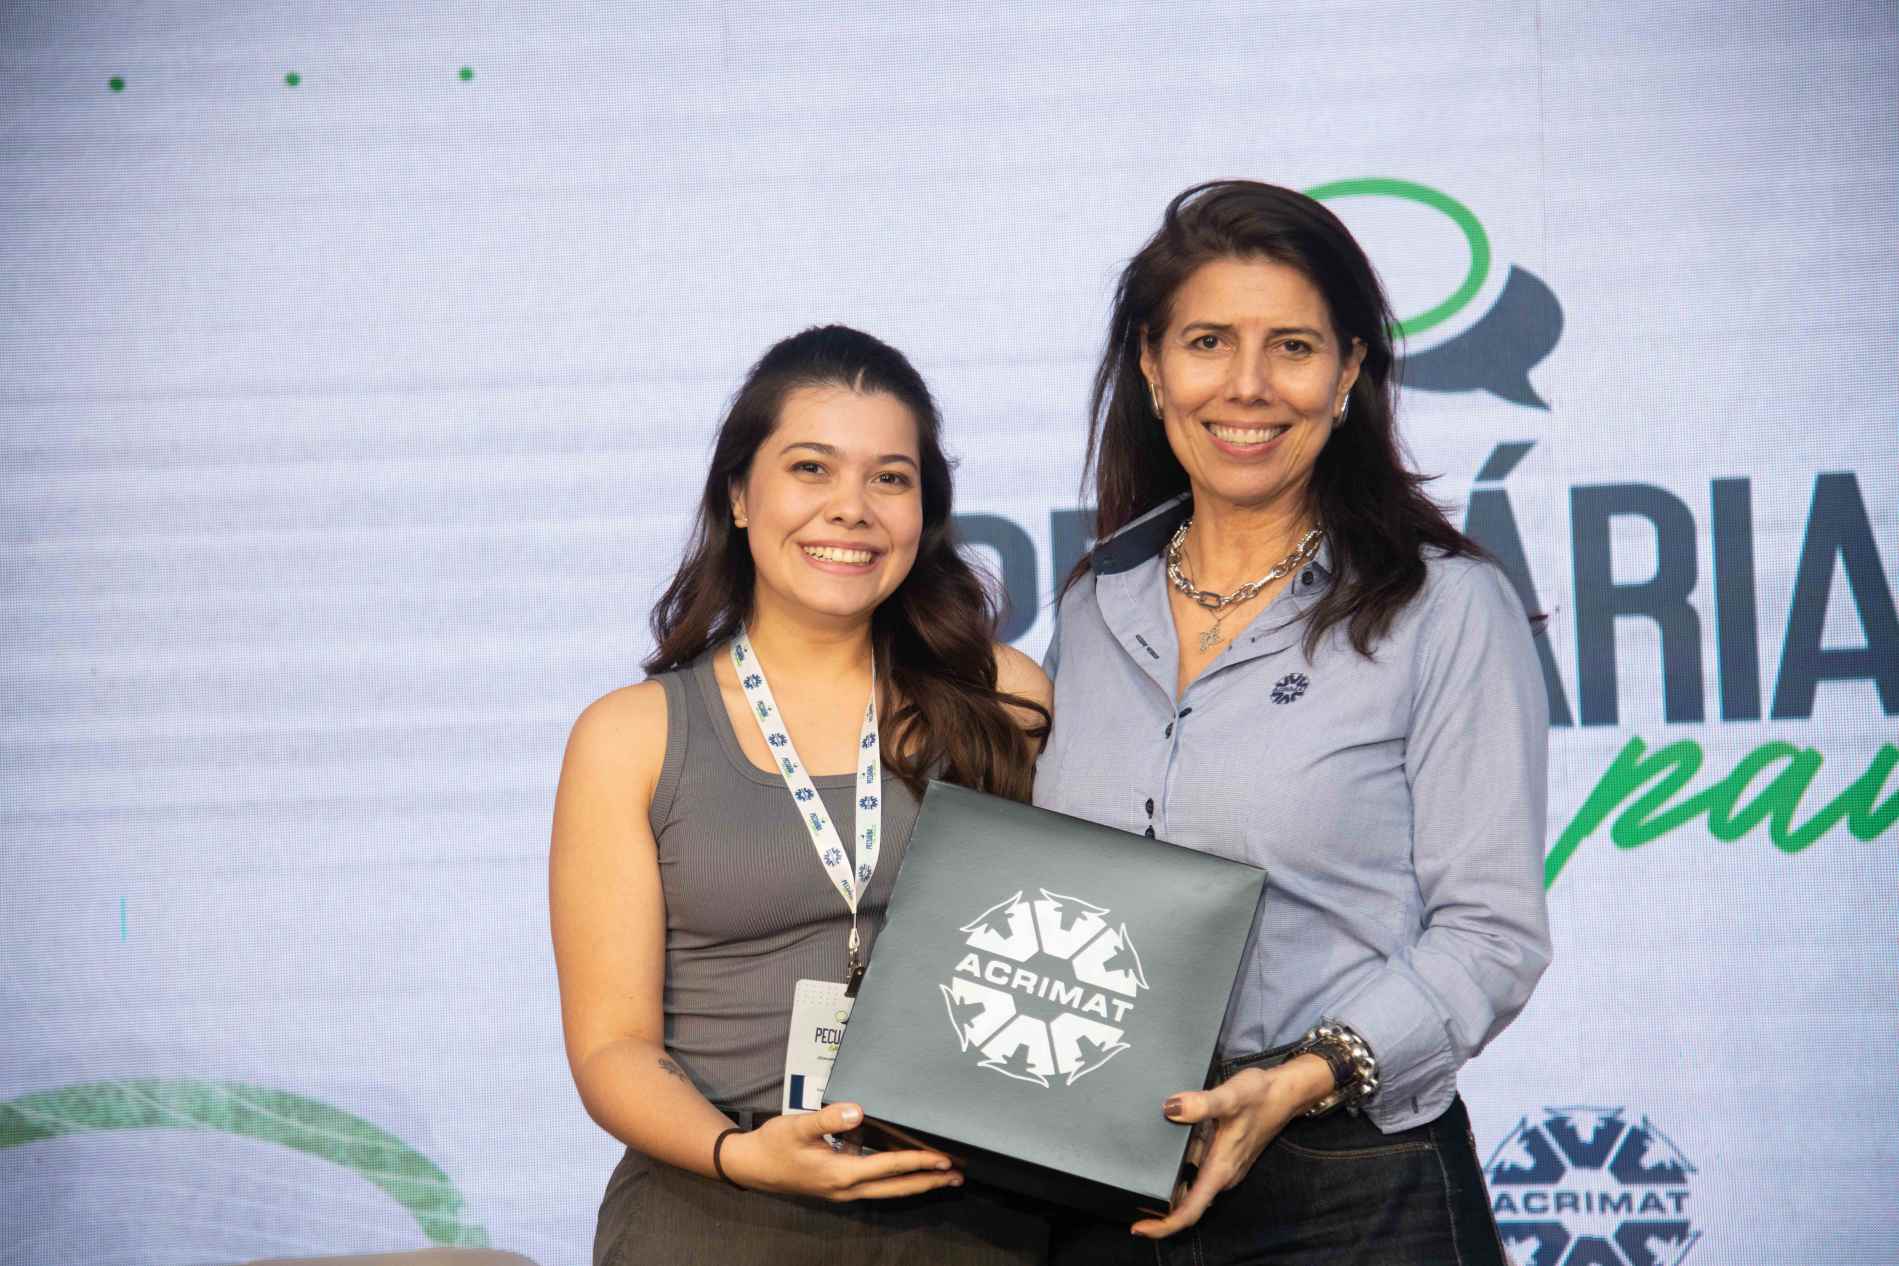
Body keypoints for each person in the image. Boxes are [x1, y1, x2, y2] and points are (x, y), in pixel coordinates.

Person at [1033, 181, 1551, 1265]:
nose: (1249, 386)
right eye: (1208, 342)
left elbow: (1491, 934)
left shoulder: (1443, 607)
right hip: (1105, 1168)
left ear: (1349, 371)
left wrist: (1312, 1073)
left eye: (1294, 348)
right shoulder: (1093, 606)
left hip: (1350, 1178)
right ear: (1151, 365)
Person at [550, 325, 1053, 1266]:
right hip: (715, 1208)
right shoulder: (630, 736)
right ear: (739, 496)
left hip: (967, 1216)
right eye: (811, 468)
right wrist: (739, 1156)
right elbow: (612, 1044)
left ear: (925, 512)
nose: (850, 509)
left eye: (889, 478)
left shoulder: (1004, 699)